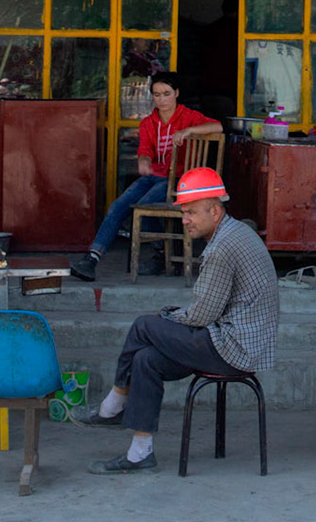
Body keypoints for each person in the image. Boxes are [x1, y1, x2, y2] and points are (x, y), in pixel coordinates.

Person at [72, 167, 277, 474]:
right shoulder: (234, 233)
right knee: (146, 358)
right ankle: (140, 453)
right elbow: (208, 311)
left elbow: (202, 315)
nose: (185, 220)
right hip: (235, 341)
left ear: (215, 210)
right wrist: (171, 319)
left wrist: (167, 317)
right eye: (184, 212)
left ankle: (111, 407)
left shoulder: (223, 247)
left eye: (192, 212)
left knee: (145, 325)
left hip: (234, 349)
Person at [70, 71, 221, 281]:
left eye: (166, 93)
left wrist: (189, 131)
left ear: (176, 93)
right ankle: (92, 258)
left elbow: (218, 126)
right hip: (155, 176)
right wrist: (144, 160)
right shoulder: (148, 122)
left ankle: (161, 254)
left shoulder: (188, 116)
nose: (162, 99)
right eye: (157, 94)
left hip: (178, 180)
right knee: (118, 206)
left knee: (142, 206)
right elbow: (145, 150)